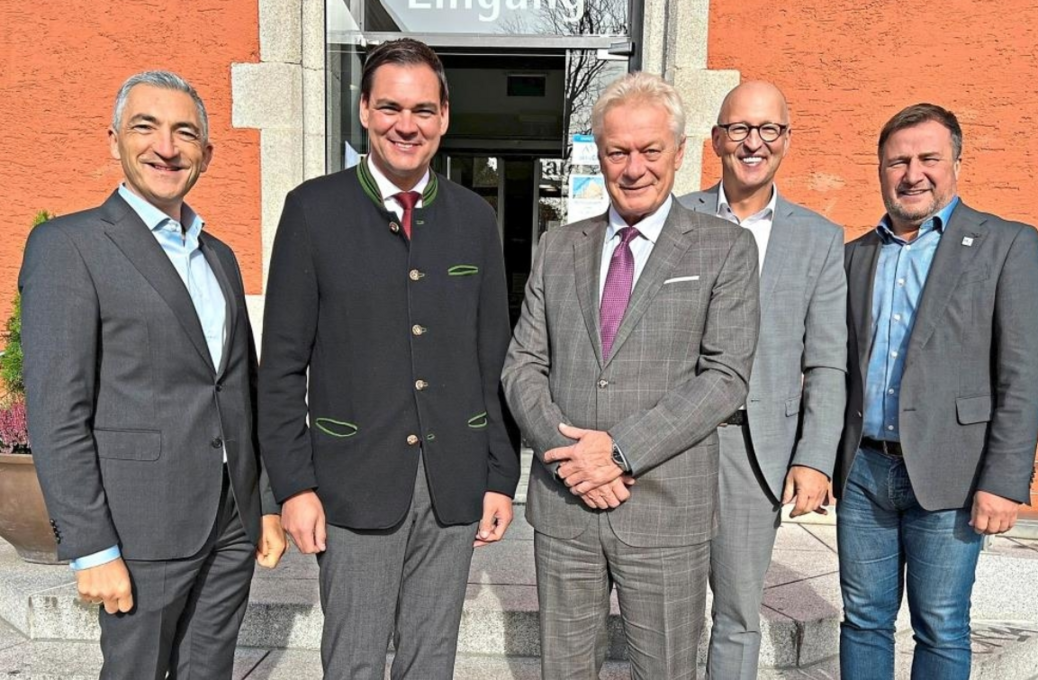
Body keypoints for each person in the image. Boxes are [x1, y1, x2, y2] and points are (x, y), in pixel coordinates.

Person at [257, 38, 519, 680]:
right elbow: (281, 367)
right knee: (353, 661)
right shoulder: (312, 210)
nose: (408, 125)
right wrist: (292, 486)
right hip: (353, 483)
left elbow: (493, 358)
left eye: (423, 109)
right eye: (391, 108)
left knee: (431, 663)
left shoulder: (474, 218)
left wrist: (499, 475)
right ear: (365, 111)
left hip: (453, 481)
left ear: (444, 116)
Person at [19, 70, 285, 679]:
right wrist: (91, 545)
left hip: (230, 522)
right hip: (139, 526)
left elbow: (240, 391)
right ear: (114, 139)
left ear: (206, 155)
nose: (166, 147)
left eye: (184, 133)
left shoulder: (220, 256)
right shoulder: (68, 246)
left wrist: (264, 502)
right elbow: (58, 412)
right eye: (146, 127)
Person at [501, 71, 760, 680]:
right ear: (599, 154)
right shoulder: (558, 247)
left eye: (650, 150)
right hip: (565, 506)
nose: (634, 167)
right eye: (618, 152)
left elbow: (724, 376)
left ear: (679, 152)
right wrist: (572, 458)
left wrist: (618, 453)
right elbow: (523, 365)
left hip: (665, 508)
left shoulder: (724, 248)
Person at [838, 102, 1038, 679]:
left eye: (928, 158)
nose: (912, 174)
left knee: (942, 623)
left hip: (955, 473)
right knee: (863, 619)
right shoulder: (854, 255)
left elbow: (1022, 374)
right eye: (897, 161)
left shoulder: (1007, 244)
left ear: (956, 163)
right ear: (880, 169)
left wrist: (1004, 481)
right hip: (863, 473)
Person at [678, 81, 847, 680]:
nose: (754, 142)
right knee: (664, 610)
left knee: (737, 614)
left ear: (786, 139)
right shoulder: (675, 218)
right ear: (717, 139)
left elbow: (826, 361)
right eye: (740, 129)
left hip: (756, 452)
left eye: (768, 129)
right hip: (673, 445)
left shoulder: (819, 238)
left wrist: (814, 458)